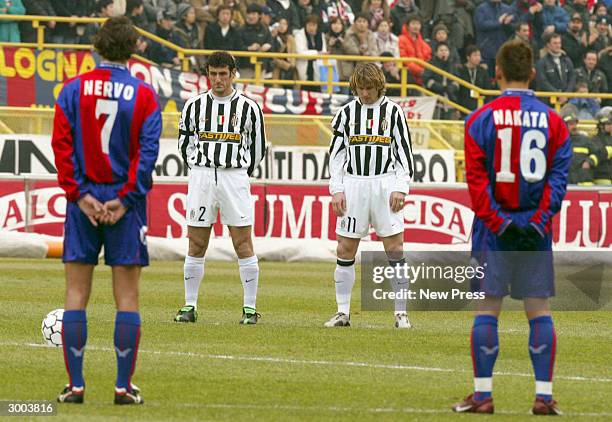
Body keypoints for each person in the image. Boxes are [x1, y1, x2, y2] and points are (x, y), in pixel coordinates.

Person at [453, 40, 571, 415]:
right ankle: (544, 396)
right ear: (533, 73)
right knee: (539, 308)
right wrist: (536, 222)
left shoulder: (480, 119)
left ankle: (483, 395)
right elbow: (558, 178)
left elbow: (476, 182)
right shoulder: (554, 122)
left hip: (494, 230)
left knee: (487, 308)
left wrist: (500, 223)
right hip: (535, 230)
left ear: (497, 73)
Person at [51, 16, 161, 405]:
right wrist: (125, 199)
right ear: (134, 49)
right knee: (127, 298)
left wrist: (80, 196)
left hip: (83, 203)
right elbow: (146, 156)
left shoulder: (71, 90)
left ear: (96, 46)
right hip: (123, 205)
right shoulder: (145, 95)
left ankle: (76, 385)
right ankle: (122, 387)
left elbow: (61, 147)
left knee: (76, 293)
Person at [175, 51, 266, 325]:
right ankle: (190, 306)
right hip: (202, 177)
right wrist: (199, 165)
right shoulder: (193, 105)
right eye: (213, 74)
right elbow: (184, 143)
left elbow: (258, 148)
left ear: (233, 74)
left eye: (223, 74)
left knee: (242, 242)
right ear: (207, 75)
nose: (218, 80)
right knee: (196, 242)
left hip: (233, 177)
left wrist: (240, 171)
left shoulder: (250, 107)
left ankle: (249, 308)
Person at [325, 62, 414, 329]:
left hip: (385, 184)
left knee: (395, 248)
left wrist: (401, 187)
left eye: (369, 89)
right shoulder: (345, 113)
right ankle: (343, 313)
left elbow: (404, 154)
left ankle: (401, 313)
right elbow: (337, 156)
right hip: (353, 185)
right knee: (346, 247)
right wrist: (337, 189)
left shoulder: (394, 113)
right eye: (360, 89)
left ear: (379, 86)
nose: (364, 94)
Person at [535, 33, 575, 105]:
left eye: (559, 43)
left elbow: (572, 78)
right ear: (548, 45)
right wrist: (557, 94)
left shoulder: (567, 60)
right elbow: (543, 82)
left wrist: (566, 94)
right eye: (555, 43)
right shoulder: (542, 62)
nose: (558, 45)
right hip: (548, 102)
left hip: (566, 100)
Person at [454, 45, 492, 112]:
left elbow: (488, 89)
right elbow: (457, 91)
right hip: (463, 106)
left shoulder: (482, 71)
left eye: (479, 55)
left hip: (479, 106)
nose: (478, 58)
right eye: (475, 55)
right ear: (468, 57)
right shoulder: (461, 70)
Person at [398, 14, 431, 86]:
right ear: (407, 26)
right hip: (407, 75)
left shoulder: (424, 43)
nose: (416, 26)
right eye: (413, 23)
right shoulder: (401, 39)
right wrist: (419, 70)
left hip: (422, 76)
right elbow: (404, 59)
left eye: (418, 24)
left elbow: (429, 59)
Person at [592, 109, 612, 185]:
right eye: (608, 124)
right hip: (601, 175)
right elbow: (600, 154)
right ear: (601, 126)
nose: (611, 126)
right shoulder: (595, 139)